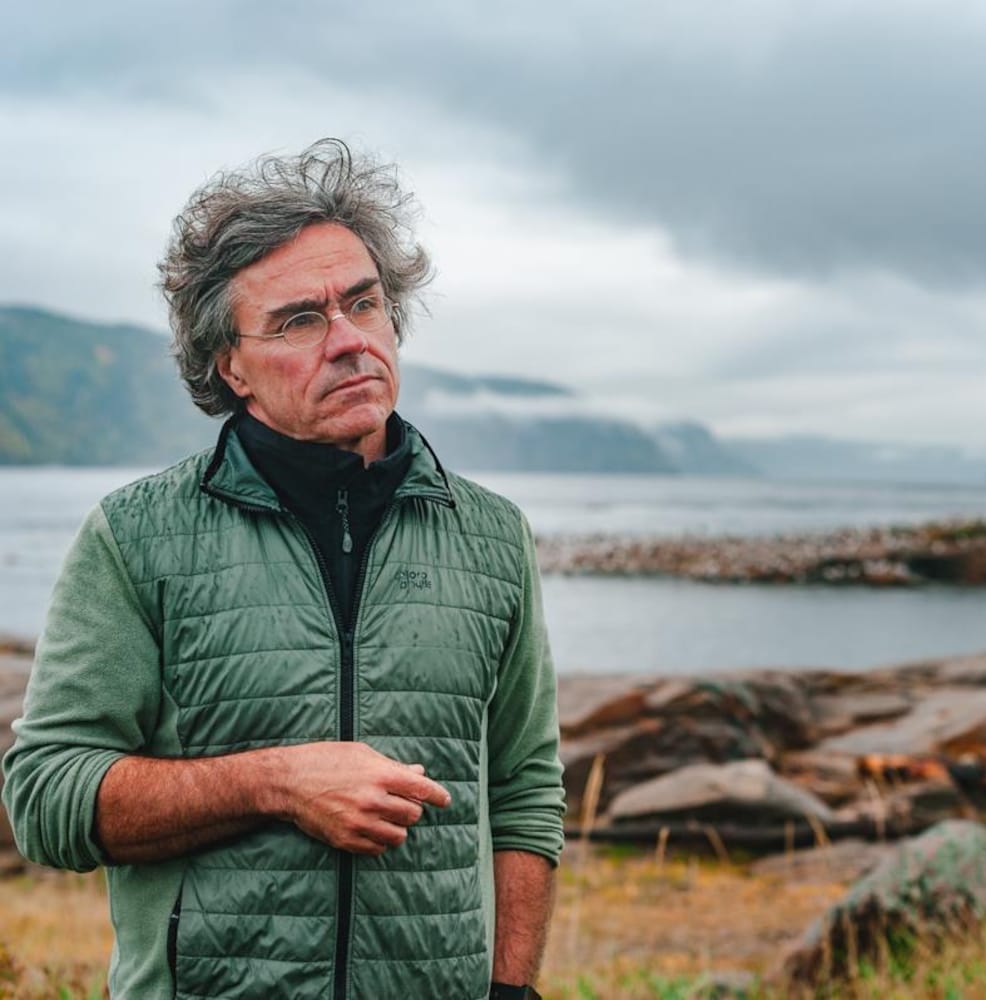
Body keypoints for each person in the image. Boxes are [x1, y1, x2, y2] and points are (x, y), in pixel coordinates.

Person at [2, 139, 565, 1000]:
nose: (348, 342)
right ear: (230, 365)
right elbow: (47, 797)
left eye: (365, 305)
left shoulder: (491, 535)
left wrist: (511, 988)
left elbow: (523, 787)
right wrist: (273, 782)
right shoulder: (138, 537)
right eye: (301, 320)